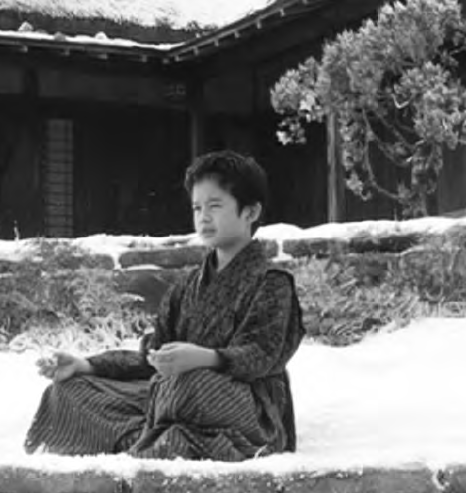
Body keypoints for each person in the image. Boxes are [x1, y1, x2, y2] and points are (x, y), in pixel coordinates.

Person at [24, 150, 305, 461]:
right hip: (172, 398)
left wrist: (206, 358)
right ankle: (160, 440)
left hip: (238, 403)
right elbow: (153, 358)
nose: (203, 217)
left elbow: (261, 356)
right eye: (197, 208)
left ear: (250, 212)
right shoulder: (186, 285)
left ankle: (153, 438)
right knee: (68, 392)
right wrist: (86, 365)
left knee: (188, 385)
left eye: (215, 206)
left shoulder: (272, 281)